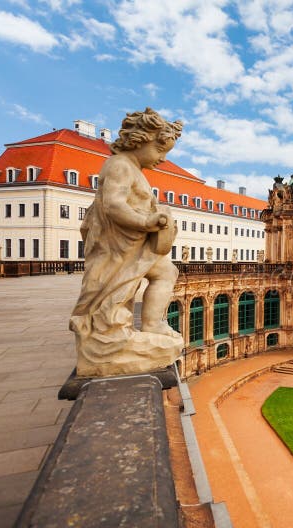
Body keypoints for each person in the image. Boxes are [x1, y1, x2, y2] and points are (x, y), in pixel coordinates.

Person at [70, 108, 184, 377]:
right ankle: (142, 327)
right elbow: (113, 205)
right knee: (151, 278)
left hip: (130, 243)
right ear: (141, 141)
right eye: (160, 150)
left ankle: (150, 324)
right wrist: (147, 222)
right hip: (117, 247)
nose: (163, 159)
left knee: (167, 272)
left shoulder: (132, 169)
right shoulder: (120, 165)